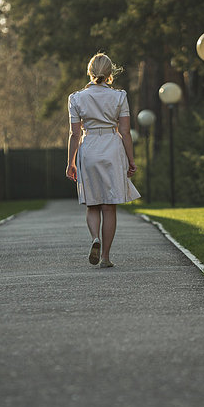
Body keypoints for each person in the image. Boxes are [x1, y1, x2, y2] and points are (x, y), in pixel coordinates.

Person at [66, 52, 140, 268]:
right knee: (109, 207)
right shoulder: (119, 96)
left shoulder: (76, 98)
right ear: (110, 74)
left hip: (89, 149)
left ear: (89, 72)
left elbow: (74, 134)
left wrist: (71, 162)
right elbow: (125, 132)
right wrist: (131, 160)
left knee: (92, 205)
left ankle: (94, 239)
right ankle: (105, 257)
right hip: (112, 147)